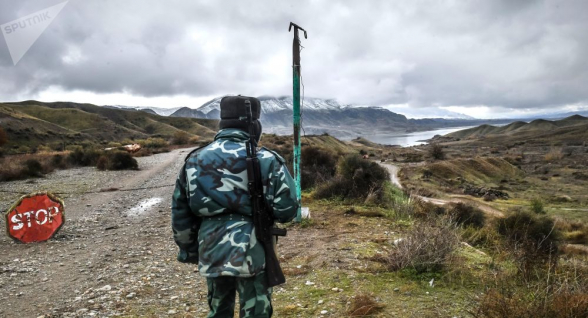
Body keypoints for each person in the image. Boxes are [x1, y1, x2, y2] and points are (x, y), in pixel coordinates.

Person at [171, 95, 299, 318]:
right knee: (256, 312)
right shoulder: (267, 159)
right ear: (254, 125)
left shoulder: (194, 159)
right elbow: (288, 210)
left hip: (211, 248)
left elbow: (181, 212)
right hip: (254, 246)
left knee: (218, 310)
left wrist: (189, 250)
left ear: (222, 124)